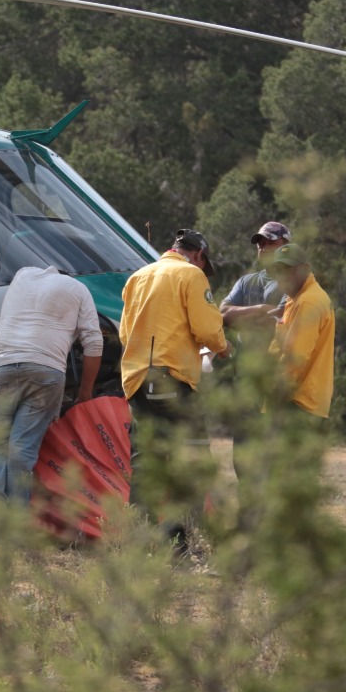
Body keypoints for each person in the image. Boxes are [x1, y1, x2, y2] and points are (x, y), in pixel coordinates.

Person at [118, 229, 230, 545]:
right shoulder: (191, 276)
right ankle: (184, 541)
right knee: (191, 458)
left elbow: (126, 335)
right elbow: (208, 329)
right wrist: (223, 347)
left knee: (145, 460)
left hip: (137, 381)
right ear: (198, 256)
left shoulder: (137, 277)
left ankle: (140, 541)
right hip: (173, 377)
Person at [0, 266, 102, 505]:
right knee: (22, 448)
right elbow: (95, 342)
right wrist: (85, 392)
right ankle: (17, 520)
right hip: (45, 371)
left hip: (2, 367)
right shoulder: (79, 288)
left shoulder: (22, 276)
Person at [266, 243, 335, 420]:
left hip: (298, 403)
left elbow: (295, 359)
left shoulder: (308, 301)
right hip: (302, 402)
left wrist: (274, 398)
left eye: (288, 269)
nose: (283, 276)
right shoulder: (296, 298)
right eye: (279, 270)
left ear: (305, 269)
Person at [220, 221, 290, 333]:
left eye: (272, 243)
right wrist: (262, 309)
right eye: (261, 244)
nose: (265, 248)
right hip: (244, 351)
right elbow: (222, 314)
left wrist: (239, 317)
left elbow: (285, 319)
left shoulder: (294, 282)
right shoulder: (245, 281)